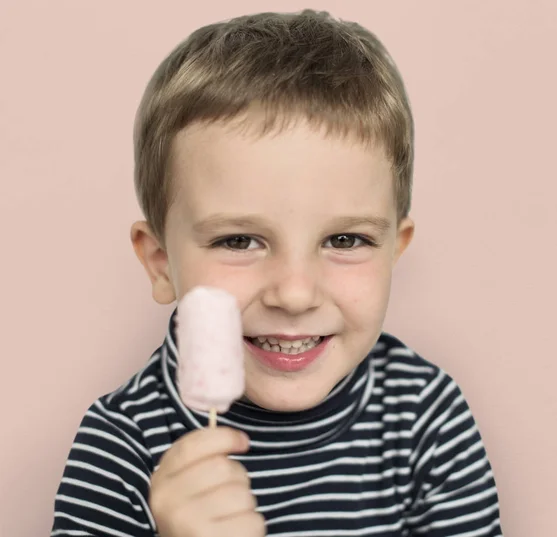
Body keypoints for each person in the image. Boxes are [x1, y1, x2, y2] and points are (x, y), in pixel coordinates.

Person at [51, 9, 503, 537]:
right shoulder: (122, 445)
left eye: (345, 240)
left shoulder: (425, 416)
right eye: (238, 240)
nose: (294, 293)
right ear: (159, 263)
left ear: (393, 254)